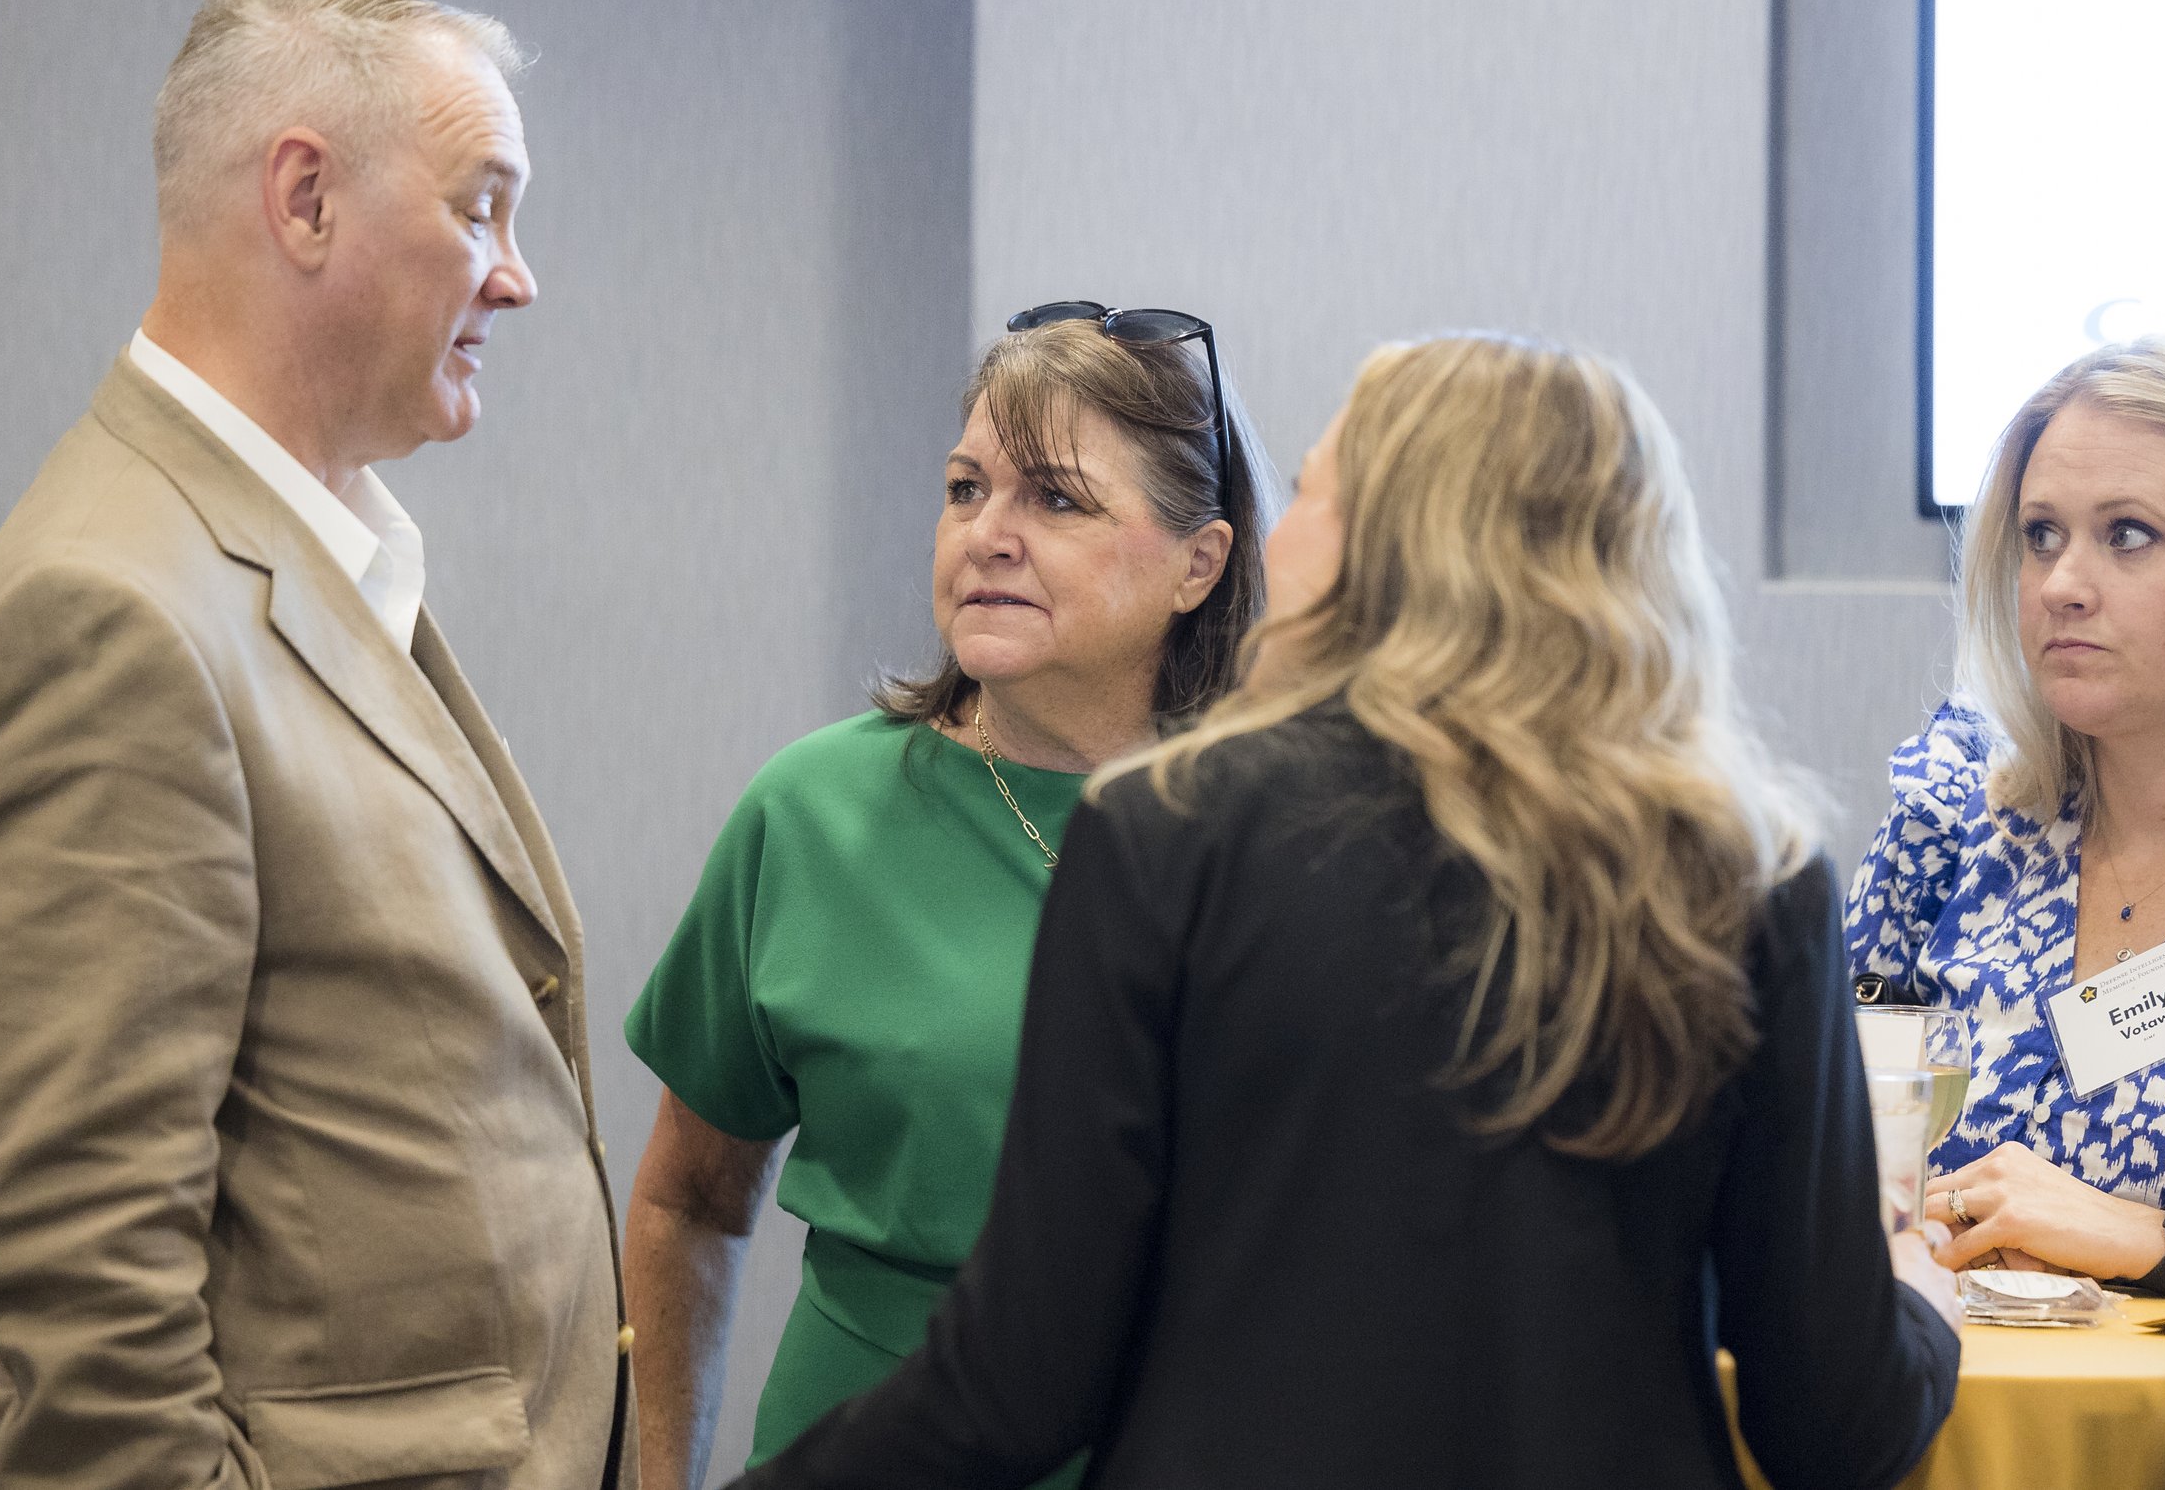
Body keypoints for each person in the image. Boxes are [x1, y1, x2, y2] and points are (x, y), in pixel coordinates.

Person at [726, 333, 1963, 1490]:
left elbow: (1017, 1381)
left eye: (1312, 489)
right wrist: (1915, 1298)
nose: (1280, 530)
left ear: (1395, 545)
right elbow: (1831, 1426)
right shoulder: (1741, 876)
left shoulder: (1163, 833)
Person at [0, 0, 634, 1489]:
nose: (517, 278)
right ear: (305, 199)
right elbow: (80, 1306)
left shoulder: (308, 547)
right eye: (480, 209)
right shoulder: (110, 615)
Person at [621, 304, 1269, 1488]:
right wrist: (660, 1474)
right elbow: (687, 1199)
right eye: (966, 488)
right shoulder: (810, 810)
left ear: (1200, 562)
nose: (987, 535)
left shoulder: (1279, 837)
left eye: (1055, 498)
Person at [1849, 336, 2165, 1301]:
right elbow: (1798, 1149)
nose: (2060, 584)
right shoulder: (1953, 827)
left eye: (2128, 534)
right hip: (1940, 1391)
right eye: (2041, 535)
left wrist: (2153, 1238)